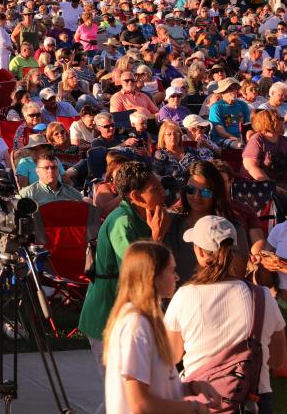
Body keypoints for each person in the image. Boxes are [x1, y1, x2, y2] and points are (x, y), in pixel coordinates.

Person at [165, 215, 287, 414]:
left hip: (202, 399)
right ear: (233, 250)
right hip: (252, 400)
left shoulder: (185, 296)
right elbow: (279, 360)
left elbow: (171, 355)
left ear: (200, 251)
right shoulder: (262, 296)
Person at [101, 241, 218, 414]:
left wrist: (193, 388)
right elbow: (140, 404)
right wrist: (192, 408)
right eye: (171, 271)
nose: (177, 277)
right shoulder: (135, 325)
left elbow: (160, 387)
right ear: (154, 277)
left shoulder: (148, 321)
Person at [79, 161, 169, 361]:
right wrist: (156, 239)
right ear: (136, 196)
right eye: (156, 189)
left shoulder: (147, 215)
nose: (164, 193)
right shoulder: (122, 222)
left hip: (131, 318)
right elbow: (137, 273)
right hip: (107, 318)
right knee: (121, 388)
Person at [18, 152, 84, 205]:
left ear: (58, 170)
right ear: (38, 171)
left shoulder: (73, 194)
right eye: (46, 168)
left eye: (54, 167)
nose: (50, 171)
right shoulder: (26, 195)